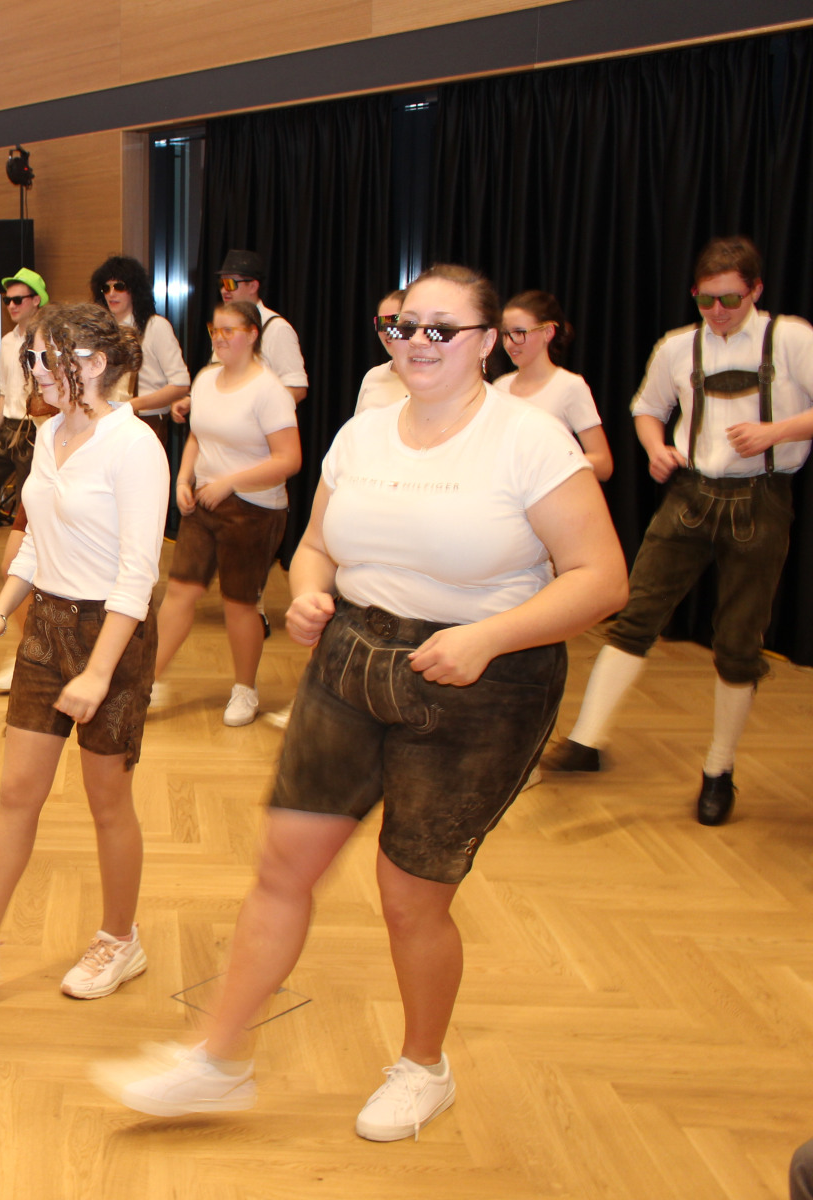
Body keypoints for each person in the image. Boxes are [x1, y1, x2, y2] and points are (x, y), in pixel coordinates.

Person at [94, 265, 627, 1141]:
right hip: (352, 659)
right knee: (283, 864)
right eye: (404, 326)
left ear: (486, 343)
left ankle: (424, 1067)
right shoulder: (364, 432)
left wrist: (487, 638)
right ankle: (217, 1060)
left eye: (441, 329)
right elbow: (315, 546)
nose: (418, 342)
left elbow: (602, 579)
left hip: (480, 683)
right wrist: (309, 592)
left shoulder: (530, 441)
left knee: (409, 895)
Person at [0, 302, 166, 1000]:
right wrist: (1, 609)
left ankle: (120, 940)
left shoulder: (134, 446)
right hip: (46, 626)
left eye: (49, 358)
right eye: (33, 358)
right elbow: (39, 542)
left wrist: (100, 672)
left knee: (109, 801)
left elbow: (137, 576)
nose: (36, 370)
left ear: (95, 364)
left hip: (111, 635)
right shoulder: (49, 435)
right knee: (17, 792)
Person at [541, 236, 812, 825]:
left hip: (762, 500)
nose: (718, 312)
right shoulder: (678, 346)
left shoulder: (790, 339)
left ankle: (719, 770)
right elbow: (646, 407)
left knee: (738, 643)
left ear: (756, 290)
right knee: (635, 613)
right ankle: (586, 742)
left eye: (730, 300)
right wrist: (655, 447)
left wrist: (776, 432)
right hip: (689, 496)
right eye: (706, 300)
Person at [152, 301, 301, 723]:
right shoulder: (205, 379)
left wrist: (231, 482)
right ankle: (145, 681)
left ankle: (245, 690)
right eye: (214, 330)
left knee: (239, 603)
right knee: (180, 591)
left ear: (252, 334)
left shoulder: (268, 390)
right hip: (205, 502)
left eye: (229, 330)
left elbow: (289, 459)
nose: (219, 338)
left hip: (254, 511)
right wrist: (184, 480)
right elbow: (198, 436)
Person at [495, 291, 613, 481]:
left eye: (519, 333)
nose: (509, 343)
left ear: (548, 332)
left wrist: (550, 464)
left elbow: (603, 463)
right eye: (505, 334)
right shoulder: (500, 387)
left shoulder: (569, 386)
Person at [0, 267, 48, 526]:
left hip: (36, 429)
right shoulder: (7, 341)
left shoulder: (49, 339)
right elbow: (4, 394)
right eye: (7, 300)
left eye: (17, 300)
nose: (11, 306)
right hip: (8, 427)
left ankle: (27, 553)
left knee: (28, 507)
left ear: (36, 300)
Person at [91, 254, 190, 439]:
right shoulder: (101, 331)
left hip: (147, 421)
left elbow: (180, 385)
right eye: (106, 288)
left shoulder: (155, 326)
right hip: (106, 420)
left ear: (134, 290)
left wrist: (133, 404)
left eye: (119, 286)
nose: (111, 293)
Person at [217, 251, 308, 404]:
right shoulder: (223, 327)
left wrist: (259, 408)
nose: (224, 290)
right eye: (221, 284)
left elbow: (297, 388)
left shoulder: (276, 328)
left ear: (253, 286)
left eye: (230, 284)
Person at [355, 289, 409, 414]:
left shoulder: (429, 380)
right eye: (381, 323)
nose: (386, 331)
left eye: (394, 321)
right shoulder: (373, 376)